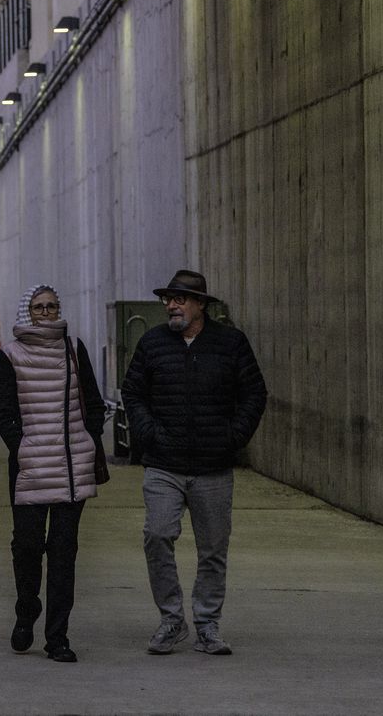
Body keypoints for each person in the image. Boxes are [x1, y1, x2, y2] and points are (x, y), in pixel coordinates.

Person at [121, 269, 267, 656]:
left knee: (213, 550)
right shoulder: (153, 343)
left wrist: (232, 438)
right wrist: (149, 433)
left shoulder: (231, 343)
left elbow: (255, 393)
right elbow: (132, 392)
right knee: (157, 536)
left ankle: (207, 625)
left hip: (213, 467)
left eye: (180, 299)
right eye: (168, 299)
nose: (171, 305)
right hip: (163, 464)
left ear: (200, 304)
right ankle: (171, 621)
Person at [0, 284, 106, 663]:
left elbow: (93, 402)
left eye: (51, 306)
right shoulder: (10, 355)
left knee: (63, 554)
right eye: (39, 307)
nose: (46, 313)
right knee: (27, 547)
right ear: (28, 312)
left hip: (72, 470)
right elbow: (3, 414)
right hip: (30, 468)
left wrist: (88, 440)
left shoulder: (74, 348)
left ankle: (57, 638)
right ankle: (27, 610)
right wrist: (22, 448)